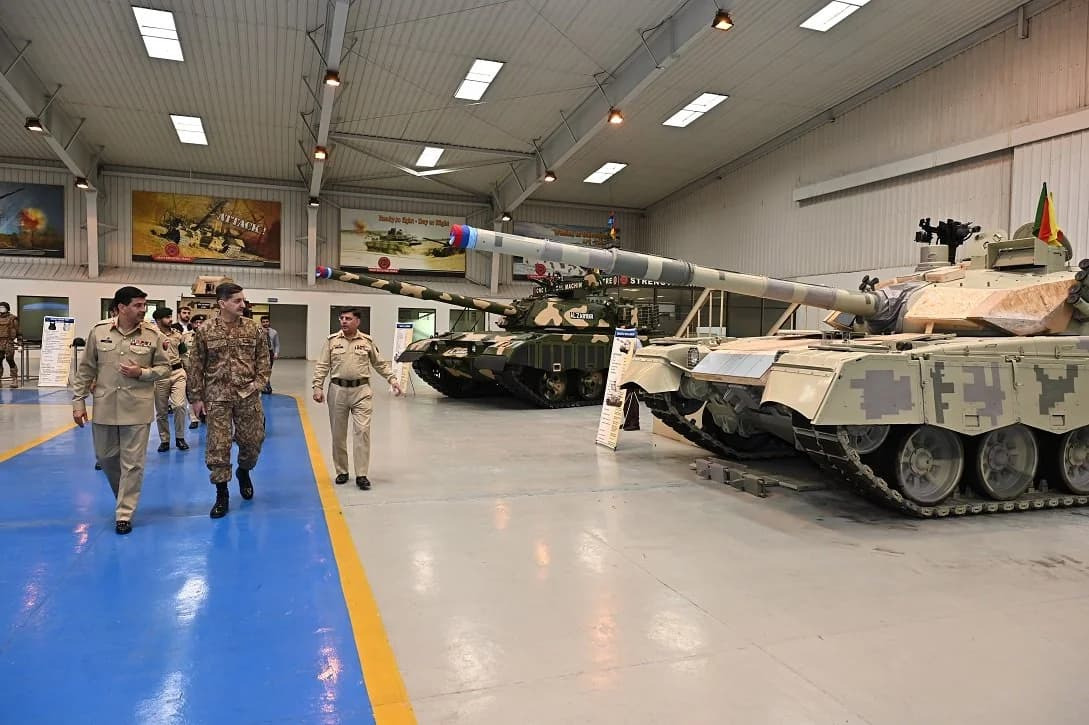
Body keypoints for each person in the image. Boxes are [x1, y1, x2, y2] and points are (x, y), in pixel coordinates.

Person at [71, 287, 171, 534]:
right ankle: (124, 496)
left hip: (137, 408)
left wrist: (142, 373)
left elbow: (165, 368)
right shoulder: (99, 331)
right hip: (105, 406)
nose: (143, 310)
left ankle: (124, 513)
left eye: (144, 305)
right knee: (105, 458)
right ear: (121, 307)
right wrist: (78, 401)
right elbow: (86, 368)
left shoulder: (152, 335)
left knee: (133, 464)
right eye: (138, 305)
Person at [188, 283, 271, 518]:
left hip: (248, 395)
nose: (242, 304)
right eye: (237, 301)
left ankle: (244, 470)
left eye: (243, 300)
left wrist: (257, 384)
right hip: (217, 397)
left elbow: (264, 360)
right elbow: (196, 365)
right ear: (222, 303)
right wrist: (196, 397)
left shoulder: (254, 329)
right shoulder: (205, 330)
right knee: (218, 446)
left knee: (253, 441)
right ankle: (221, 493)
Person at [312, 308, 403, 490]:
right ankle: (342, 471)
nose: (344, 321)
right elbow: (322, 365)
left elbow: (379, 363)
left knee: (362, 432)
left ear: (357, 321)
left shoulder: (367, 341)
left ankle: (361, 474)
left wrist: (392, 379)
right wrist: (317, 386)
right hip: (337, 391)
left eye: (348, 318)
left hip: (362, 391)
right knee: (338, 434)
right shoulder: (332, 341)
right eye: (342, 318)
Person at [151, 307, 189, 451]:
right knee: (161, 411)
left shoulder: (177, 335)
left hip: (178, 372)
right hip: (160, 375)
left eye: (170, 316)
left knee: (179, 406)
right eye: (167, 317)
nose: (170, 320)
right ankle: (165, 440)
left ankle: (180, 438)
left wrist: (189, 372)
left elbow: (184, 354)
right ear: (158, 320)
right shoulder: (152, 335)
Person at [0, 301, 19, 388]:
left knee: (10, 359)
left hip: (9, 342)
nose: (1, 309)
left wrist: (20, 341)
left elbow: (18, 331)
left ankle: (14, 379)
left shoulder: (13, 318)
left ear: (7, 308)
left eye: (3, 307)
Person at [260, 316, 279, 394]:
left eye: (267, 321)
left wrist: (276, 353)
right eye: (263, 322)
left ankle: (267, 385)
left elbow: (277, 344)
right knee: (261, 370)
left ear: (269, 322)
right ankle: (263, 386)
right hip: (261, 352)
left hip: (270, 352)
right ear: (261, 323)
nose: (265, 323)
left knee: (268, 370)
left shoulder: (274, 332)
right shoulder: (257, 331)